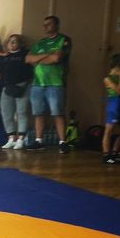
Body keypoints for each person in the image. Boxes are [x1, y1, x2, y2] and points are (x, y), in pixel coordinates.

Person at [24, 15, 72, 154]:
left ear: (56, 25)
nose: (45, 27)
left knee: (58, 112)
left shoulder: (63, 40)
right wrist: (47, 56)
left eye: (49, 24)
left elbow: (56, 58)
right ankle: (39, 141)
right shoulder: (40, 42)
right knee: (38, 113)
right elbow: (28, 59)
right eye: (44, 24)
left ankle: (63, 142)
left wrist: (38, 59)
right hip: (37, 83)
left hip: (55, 83)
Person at [0, 34, 33, 150]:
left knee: (21, 112)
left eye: (14, 41)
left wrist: (26, 83)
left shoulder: (25, 54)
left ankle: (21, 139)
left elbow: (31, 69)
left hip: (22, 85)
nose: (11, 43)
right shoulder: (4, 57)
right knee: (6, 113)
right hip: (7, 87)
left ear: (20, 43)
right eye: (9, 41)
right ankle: (11, 138)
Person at [101, 53, 120, 165]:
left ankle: (115, 153)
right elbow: (119, 91)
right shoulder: (108, 79)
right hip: (114, 106)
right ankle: (106, 155)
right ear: (119, 65)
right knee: (109, 130)